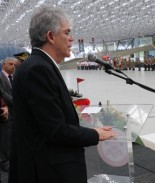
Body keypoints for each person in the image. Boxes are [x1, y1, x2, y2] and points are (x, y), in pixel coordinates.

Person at [9, 6, 116, 183]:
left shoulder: (40, 65)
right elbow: (56, 130)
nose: (71, 38)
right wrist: (95, 134)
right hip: (48, 172)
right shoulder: (38, 69)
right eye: (67, 32)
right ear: (50, 36)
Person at [0, 57, 17, 172]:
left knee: (13, 136)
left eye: (14, 65)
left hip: (15, 112)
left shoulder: (15, 77)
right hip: (4, 112)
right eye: (10, 64)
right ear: (3, 65)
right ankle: (4, 161)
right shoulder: (0, 77)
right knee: (4, 138)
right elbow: (3, 94)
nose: (13, 66)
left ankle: (12, 158)